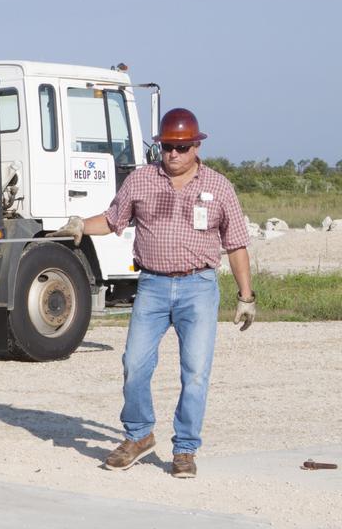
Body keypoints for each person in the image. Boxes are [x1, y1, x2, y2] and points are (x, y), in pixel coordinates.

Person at [52, 108, 255, 479]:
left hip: (199, 287)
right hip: (153, 286)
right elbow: (113, 220)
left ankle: (185, 449)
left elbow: (237, 244)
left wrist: (246, 296)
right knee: (134, 365)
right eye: (167, 147)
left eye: (182, 147)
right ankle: (139, 435)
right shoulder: (141, 181)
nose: (174, 155)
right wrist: (80, 224)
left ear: (196, 146)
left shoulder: (219, 186)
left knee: (195, 372)